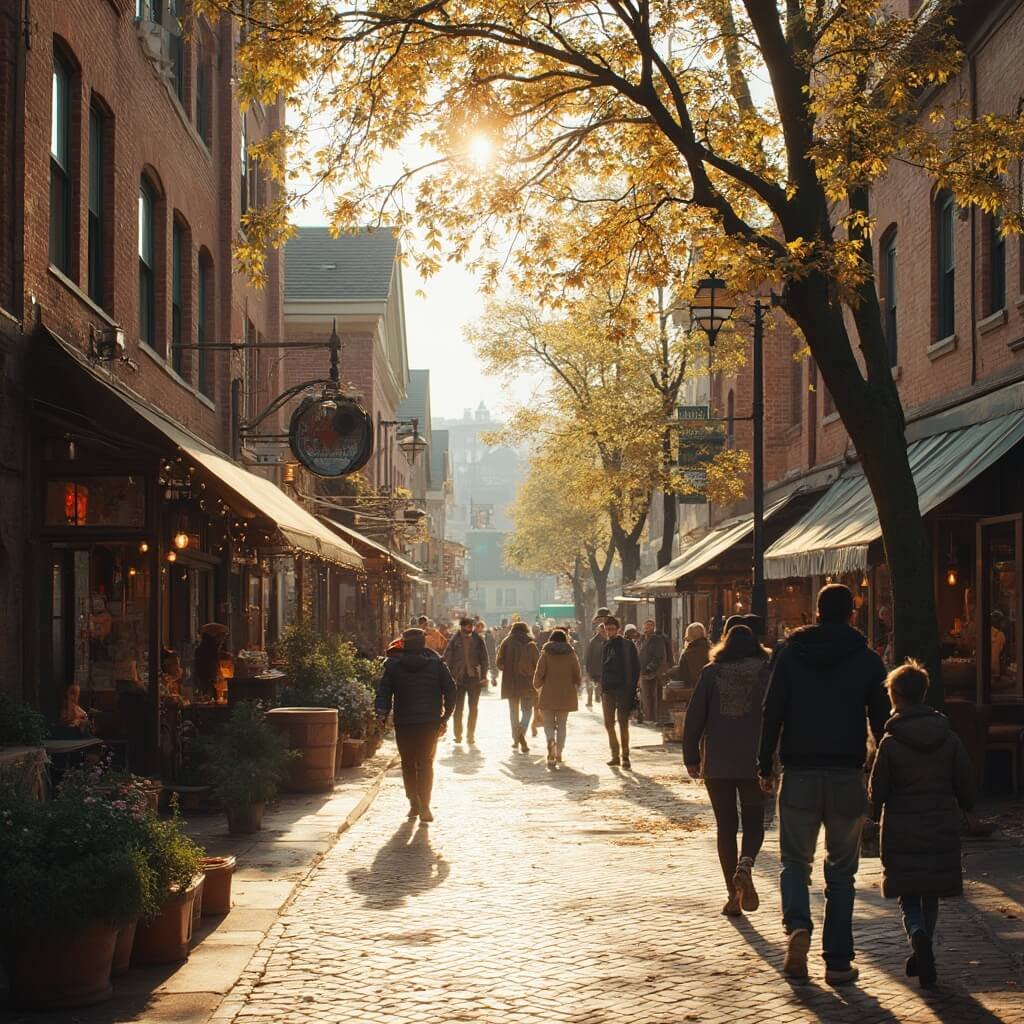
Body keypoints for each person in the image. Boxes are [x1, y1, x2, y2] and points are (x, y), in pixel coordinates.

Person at [758, 583, 889, 985]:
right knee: (841, 872)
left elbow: (772, 710)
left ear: (815, 613)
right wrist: (882, 771)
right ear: (852, 613)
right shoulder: (867, 660)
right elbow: (882, 721)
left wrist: (765, 763)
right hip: (846, 776)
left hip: (798, 773)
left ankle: (798, 924)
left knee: (795, 863)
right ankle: (837, 960)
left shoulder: (791, 656)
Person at [868, 660, 976, 989]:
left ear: (896, 696)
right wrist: (968, 809)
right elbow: (965, 781)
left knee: (909, 893)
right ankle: (925, 939)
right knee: (930, 891)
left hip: (901, 828)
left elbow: (878, 789)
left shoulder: (891, 741)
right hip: (940, 823)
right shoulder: (948, 737)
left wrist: (871, 816)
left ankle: (916, 934)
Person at [683, 625, 770, 917]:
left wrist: (691, 755)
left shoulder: (710, 673)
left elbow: (695, 716)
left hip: (718, 761)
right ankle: (745, 864)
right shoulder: (766, 673)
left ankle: (733, 894)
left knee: (726, 826)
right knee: (755, 821)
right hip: (756, 761)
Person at [375, 628, 457, 823]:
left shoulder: (394, 666)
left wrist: (381, 713)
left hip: (404, 722)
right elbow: (451, 690)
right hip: (429, 722)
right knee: (426, 763)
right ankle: (425, 806)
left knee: (408, 763)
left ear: (405, 643)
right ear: (423, 643)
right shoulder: (436, 664)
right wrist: (445, 717)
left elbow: (384, 691)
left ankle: (413, 802)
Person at [533, 629, 581, 766]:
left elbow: (539, 672)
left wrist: (537, 685)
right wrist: (577, 683)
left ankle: (550, 741)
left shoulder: (546, 653)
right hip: (566, 694)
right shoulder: (571, 653)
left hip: (548, 692)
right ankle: (559, 752)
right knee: (562, 725)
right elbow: (577, 673)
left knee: (548, 723)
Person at [601, 616, 640, 769]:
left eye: (612, 629)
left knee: (623, 723)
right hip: (608, 690)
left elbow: (636, 666)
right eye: (607, 629)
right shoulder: (606, 645)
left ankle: (625, 756)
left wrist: (633, 687)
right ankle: (615, 754)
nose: (609, 632)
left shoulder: (627, 645)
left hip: (623, 689)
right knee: (609, 724)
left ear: (618, 629)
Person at [443, 617, 489, 744]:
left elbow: (484, 659)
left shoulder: (478, 640)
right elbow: (448, 657)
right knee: (458, 708)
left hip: (474, 678)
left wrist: (484, 675)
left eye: (471, 627)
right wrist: (449, 675)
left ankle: (470, 734)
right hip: (458, 678)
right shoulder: (454, 640)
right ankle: (458, 734)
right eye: (467, 627)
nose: (469, 629)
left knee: (473, 708)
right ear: (462, 627)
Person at [497, 621, 540, 752]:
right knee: (527, 711)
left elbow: (499, 663)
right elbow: (537, 664)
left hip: (511, 683)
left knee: (513, 712)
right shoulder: (531, 643)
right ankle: (521, 732)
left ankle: (516, 738)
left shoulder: (506, 641)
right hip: (528, 683)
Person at [638, 619, 672, 724]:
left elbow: (658, 656)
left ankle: (655, 717)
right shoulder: (643, 639)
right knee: (646, 695)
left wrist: (650, 667)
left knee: (654, 695)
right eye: (646, 625)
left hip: (654, 672)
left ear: (654, 627)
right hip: (644, 672)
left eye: (650, 625)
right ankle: (649, 717)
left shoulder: (657, 639)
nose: (648, 627)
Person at [194, 622, 230, 701]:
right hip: (207, 686)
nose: (223, 641)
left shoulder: (212, 651)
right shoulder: (205, 652)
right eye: (221, 637)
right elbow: (207, 672)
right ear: (215, 638)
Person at [670, 622, 711, 688]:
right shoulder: (713, 651)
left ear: (689, 636)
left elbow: (683, 675)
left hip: (693, 691)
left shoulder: (687, 654)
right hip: (711, 690)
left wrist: (670, 672)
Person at [584, 621, 608, 709]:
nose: (604, 633)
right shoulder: (594, 641)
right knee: (591, 684)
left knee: (600, 686)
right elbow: (589, 655)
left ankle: (599, 699)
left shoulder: (607, 640)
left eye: (605, 631)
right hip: (595, 667)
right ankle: (590, 701)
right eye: (602, 631)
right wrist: (587, 668)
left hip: (603, 667)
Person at [476, 620, 497, 685]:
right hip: (477, 658)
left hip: (485, 657)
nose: (480, 629)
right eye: (479, 627)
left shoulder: (488, 637)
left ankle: (484, 680)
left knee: (485, 669)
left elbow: (492, 649)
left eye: (482, 627)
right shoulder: (473, 636)